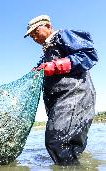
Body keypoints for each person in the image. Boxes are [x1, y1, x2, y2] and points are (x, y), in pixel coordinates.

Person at [24, 15, 98, 165]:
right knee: (69, 146)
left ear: (48, 26)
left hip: (75, 96)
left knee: (56, 142)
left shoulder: (62, 35)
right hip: (62, 100)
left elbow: (89, 55)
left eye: (35, 32)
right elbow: (43, 69)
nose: (34, 38)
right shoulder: (46, 52)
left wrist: (56, 65)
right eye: (31, 36)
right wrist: (37, 70)